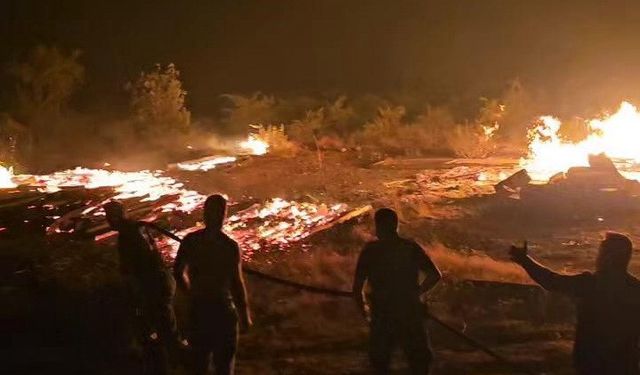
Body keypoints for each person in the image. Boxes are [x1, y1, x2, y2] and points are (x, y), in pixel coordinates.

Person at [509, 232, 640, 375]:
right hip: (626, 366)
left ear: (608, 256)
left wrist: (525, 261)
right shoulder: (635, 289)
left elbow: (553, 282)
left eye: (601, 252)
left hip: (592, 365)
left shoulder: (591, 284)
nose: (598, 257)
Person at [353, 208, 441, 375]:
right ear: (396, 225)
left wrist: (366, 315)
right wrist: (417, 293)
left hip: (382, 315)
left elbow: (357, 289)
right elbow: (434, 275)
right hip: (410, 312)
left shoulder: (371, 251)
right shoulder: (410, 247)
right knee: (420, 363)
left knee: (380, 363)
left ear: (378, 226)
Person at [173, 194, 252, 375]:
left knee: (199, 363)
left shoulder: (191, 241)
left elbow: (177, 271)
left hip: (200, 310)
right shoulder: (229, 246)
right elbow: (236, 283)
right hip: (223, 310)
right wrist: (244, 315)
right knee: (223, 366)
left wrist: (190, 294)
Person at [103, 200, 180, 375]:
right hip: (162, 281)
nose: (108, 221)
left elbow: (134, 269)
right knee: (165, 327)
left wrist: (135, 293)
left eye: (109, 216)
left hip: (153, 286)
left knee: (153, 330)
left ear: (117, 215)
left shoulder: (127, 235)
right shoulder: (137, 228)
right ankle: (175, 360)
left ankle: (167, 365)